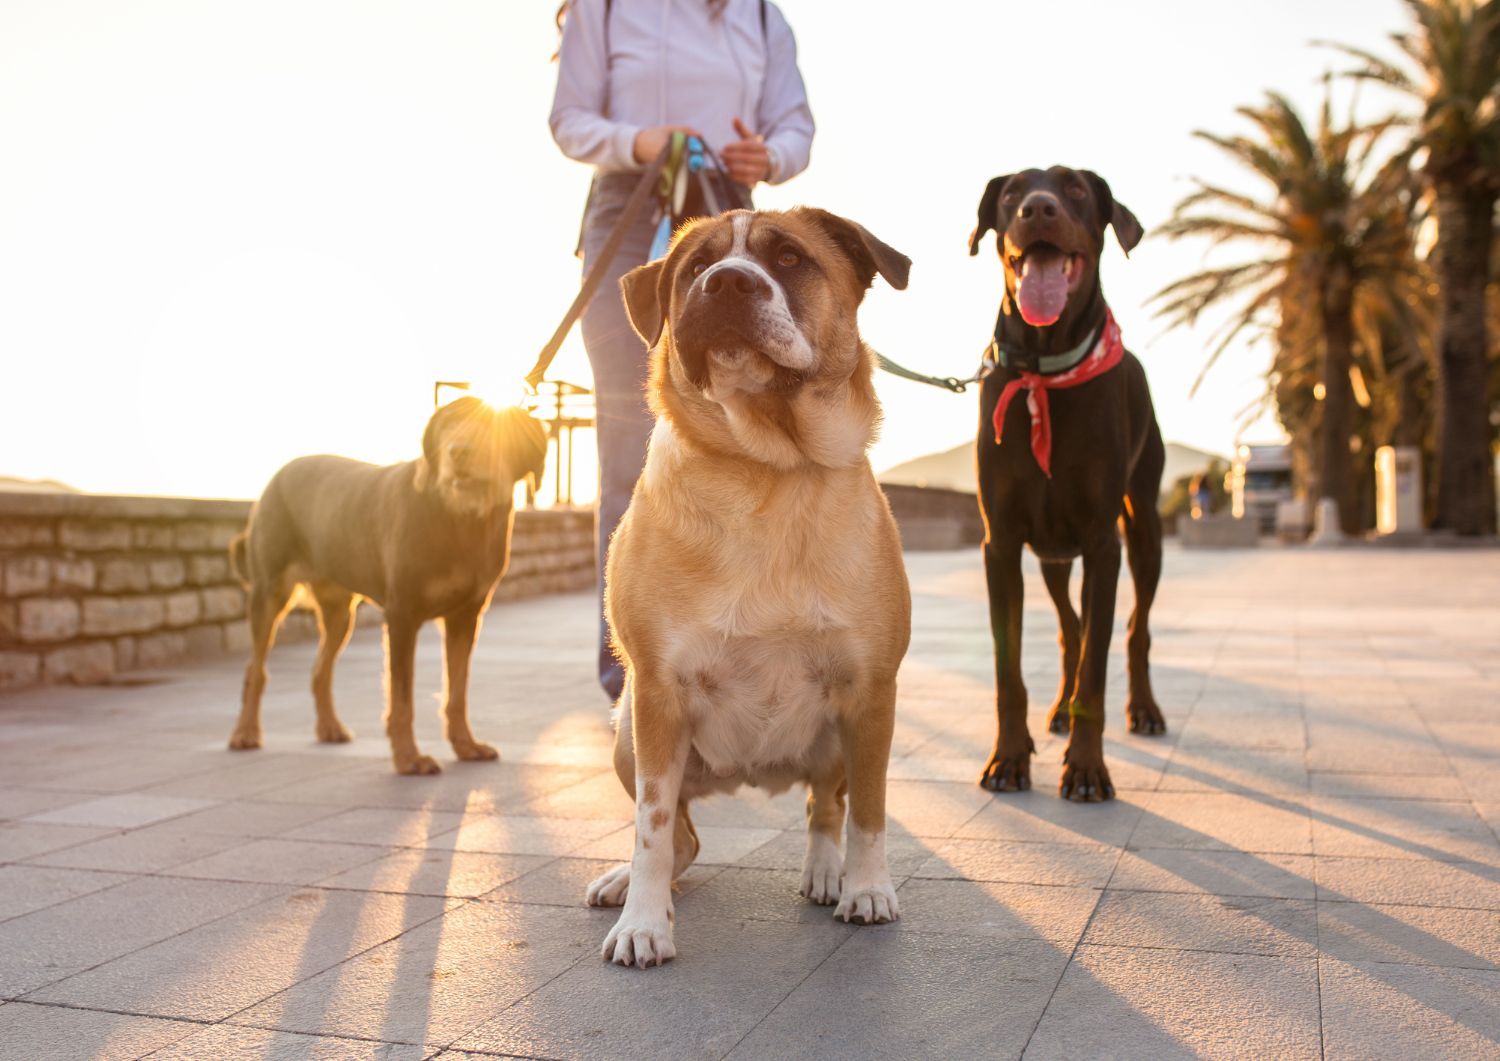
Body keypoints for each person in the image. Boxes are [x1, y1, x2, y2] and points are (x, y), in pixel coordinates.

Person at [550, 0, 815, 700]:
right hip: (629, 212)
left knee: (746, 435)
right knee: (629, 443)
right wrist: (639, 140)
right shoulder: (604, 7)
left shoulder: (761, 16)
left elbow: (796, 126)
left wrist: (771, 156)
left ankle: (741, 653)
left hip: (733, 216)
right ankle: (633, 674)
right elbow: (569, 119)